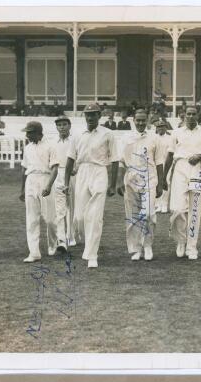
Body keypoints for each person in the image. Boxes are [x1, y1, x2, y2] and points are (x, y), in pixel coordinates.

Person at [64, 103, 119, 268]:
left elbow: (115, 160)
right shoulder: (77, 135)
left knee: (95, 216)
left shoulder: (108, 134)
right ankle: (87, 244)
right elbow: (70, 160)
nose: (90, 117)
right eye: (88, 115)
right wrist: (66, 183)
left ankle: (92, 255)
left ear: (99, 116)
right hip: (82, 173)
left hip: (99, 172)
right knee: (79, 217)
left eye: (93, 114)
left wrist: (113, 185)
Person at [163, 106, 201, 260]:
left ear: (197, 116)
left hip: (198, 169)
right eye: (188, 114)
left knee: (195, 210)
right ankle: (180, 241)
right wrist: (163, 178)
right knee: (177, 209)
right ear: (183, 116)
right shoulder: (177, 132)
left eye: (194, 114)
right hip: (180, 168)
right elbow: (170, 154)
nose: (191, 117)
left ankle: (191, 247)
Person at [117, 110, 165, 261]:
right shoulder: (126, 138)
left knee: (149, 214)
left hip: (149, 178)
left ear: (148, 120)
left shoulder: (155, 138)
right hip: (131, 179)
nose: (140, 123)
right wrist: (119, 181)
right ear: (133, 120)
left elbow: (159, 162)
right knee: (133, 215)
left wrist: (160, 184)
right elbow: (121, 162)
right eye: (138, 120)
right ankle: (136, 248)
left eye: (143, 120)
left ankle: (148, 245)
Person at [19, 121, 59, 263]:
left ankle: (53, 244)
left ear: (38, 132)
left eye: (30, 132)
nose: (27, 135)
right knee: (32, 219)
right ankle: (34, 252)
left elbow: (55, 168)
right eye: (27, 133)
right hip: (31, 180)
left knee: (50, 219)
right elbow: (24, 169)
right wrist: (22, 189)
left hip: (45, 179)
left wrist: (48, 186)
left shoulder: (50, 146)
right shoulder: (27, 148)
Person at [52, 115, 78, 252]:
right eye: (59, 125)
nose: (62, 127)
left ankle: (71, 235)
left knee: (72, 207)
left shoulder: (74, 141)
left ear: (69, 126)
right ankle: (61, 238)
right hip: (58, 174)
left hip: (72, 175)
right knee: (60, 209)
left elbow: (78, 157)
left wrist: (75, 169)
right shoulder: (53, 142)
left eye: (64, 124)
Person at [154, 118, 173, 214]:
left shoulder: (170, 138)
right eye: (158, 127)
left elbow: (171, 153)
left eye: (162, 127)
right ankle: (157, 204)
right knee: (156, 183)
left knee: (166, 182)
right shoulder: (154, 138)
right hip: (156, 164)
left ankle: (164, 205)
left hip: (166, 164)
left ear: (166, 128)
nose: (160, 129)